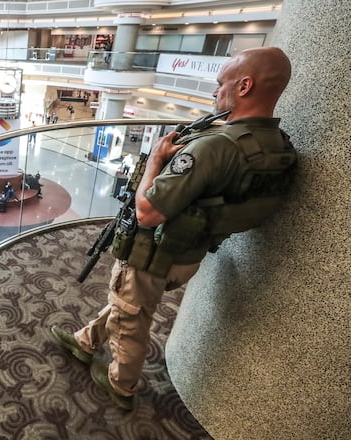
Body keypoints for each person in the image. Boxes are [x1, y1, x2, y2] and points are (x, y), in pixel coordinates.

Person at [50, 47, 297, 410]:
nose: (215, 92)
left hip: (153, 253)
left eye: (221, 83)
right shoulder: (274, 145)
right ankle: (86, 341)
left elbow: (148, 211)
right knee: (129, 307)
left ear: (244, 86)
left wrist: (154, 160)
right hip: (189, 253)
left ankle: (122, 383)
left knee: (132, 317)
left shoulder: (215, 147)